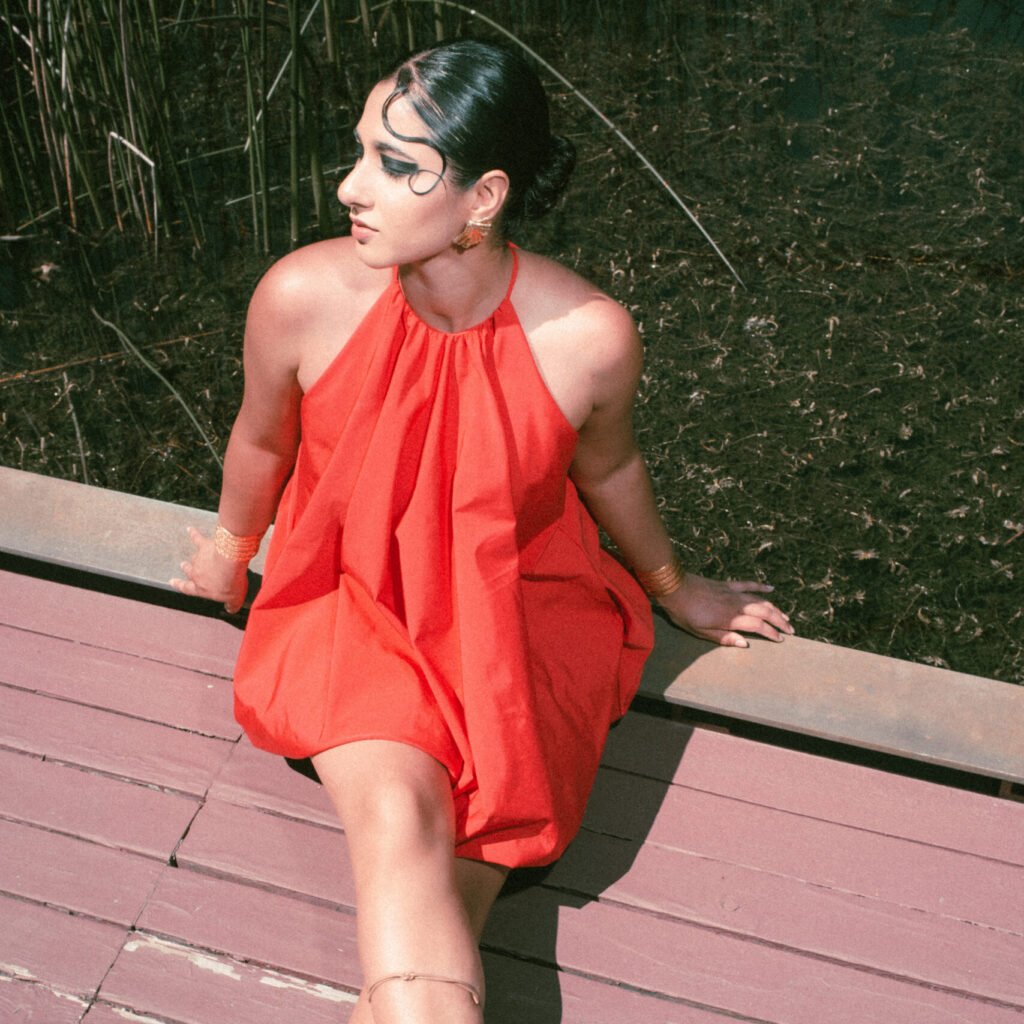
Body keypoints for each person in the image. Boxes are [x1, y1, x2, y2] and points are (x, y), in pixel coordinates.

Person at [171, 39, 792, 1024]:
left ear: (483, 196)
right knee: (401, 811)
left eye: (395, 164)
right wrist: (230, 550)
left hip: (515, 612)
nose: (349, 186)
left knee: (454, 869)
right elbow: (258, 442)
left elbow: (611, 467)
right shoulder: (303, 296)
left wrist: (676, 588)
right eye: (361, 150)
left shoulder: (585, 336)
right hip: (349, 599)